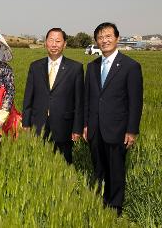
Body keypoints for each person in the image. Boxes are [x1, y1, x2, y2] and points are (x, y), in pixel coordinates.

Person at [83, 22, 143, 216]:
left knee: (116, 171)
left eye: (108, 36)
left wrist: (131, 130)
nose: (104, 40)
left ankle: (115, 208)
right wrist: (85, 124)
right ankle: (99, 202)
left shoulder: (130, 66)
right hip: (94, 128)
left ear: (117, 38)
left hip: (118, 129)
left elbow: (136, 102)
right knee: (98, 168)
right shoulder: (92, 66)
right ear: (96, 41)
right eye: (100, 37)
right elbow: (87, 98)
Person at [21, 28, 84, 164]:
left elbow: (79, 101)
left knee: (64, 163)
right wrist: (25, 123)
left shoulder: (75, 68)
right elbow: (28, 97)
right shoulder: (35, 66)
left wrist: (77, 128)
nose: (54, 44)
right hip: (38, 123)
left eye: (58, 41)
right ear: (45, 43)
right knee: (38, 163)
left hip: (64, 125)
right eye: (51, 40)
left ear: (65, 44)